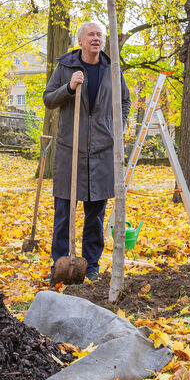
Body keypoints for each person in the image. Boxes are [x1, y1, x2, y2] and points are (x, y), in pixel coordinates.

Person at [43, 21, 130, 282]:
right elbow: (48, 99)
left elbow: (125, 100)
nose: (96, 38)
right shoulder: (66, 67)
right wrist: (69, 87)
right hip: (71, 150)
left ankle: (91, 266)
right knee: (63, 215)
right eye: (91, 35)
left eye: (99, 35)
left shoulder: (111, 69)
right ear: (80, 41)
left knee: (96, 216)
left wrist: (118, 126)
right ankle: (59, 265)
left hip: (102, 150)